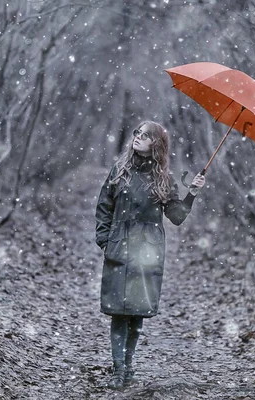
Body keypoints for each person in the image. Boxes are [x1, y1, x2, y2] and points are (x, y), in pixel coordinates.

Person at [95, 121, 206, 389]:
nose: (138, 138)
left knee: (136, 313)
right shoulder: (119, 171)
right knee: (118, 312)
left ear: (156, 144)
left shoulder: (164, 180)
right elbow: (103, 207)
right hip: (119, 248)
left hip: (147, 253)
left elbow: (177, 216)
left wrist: (191, 193)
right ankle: (118, 370)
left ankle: (129, 365)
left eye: (145, 135)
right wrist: (105, 240)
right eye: (137, 133)